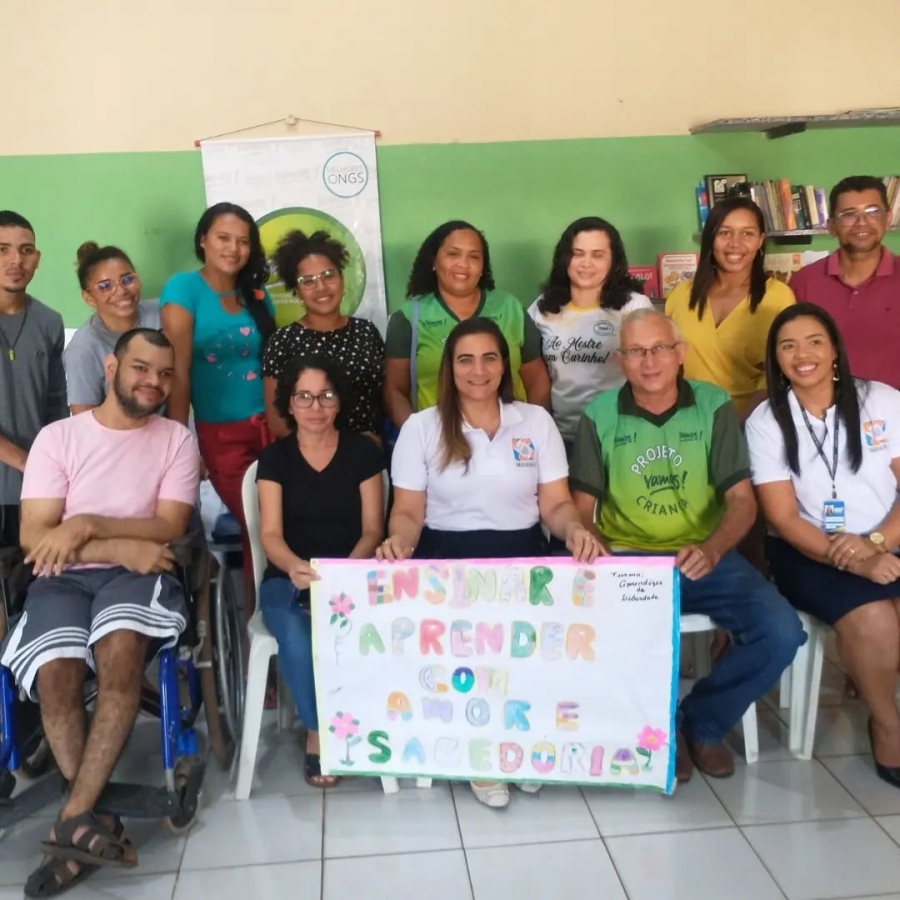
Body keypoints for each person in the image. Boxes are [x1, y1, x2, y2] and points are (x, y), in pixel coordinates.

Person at [0, 328, 200, 896]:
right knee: (57, 679)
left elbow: (167, 526)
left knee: (118, 664)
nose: (153, 383)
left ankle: (74, 819)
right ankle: (91, 822)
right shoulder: (58, 439)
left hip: (136, 578)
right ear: (111, 367)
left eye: (164, 374)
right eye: (141, 369)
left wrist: (85, 525)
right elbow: (38, 538)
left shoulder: (175, 441)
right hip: (67, 577)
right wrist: (116, 545)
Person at [569, 308, 805, 781]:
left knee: (781, 632)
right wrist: (597, 551)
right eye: (636, 352)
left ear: (680, 354)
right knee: (617, 639)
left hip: (705, 554)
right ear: (620, 360)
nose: (649, 361)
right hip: (630, 559)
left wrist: (714, 548)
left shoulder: (712, 406)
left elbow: (741, 501)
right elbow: (581, 509)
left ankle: (702, 720)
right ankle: (658, 731)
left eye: (660, 349)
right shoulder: (599, 416)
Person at [378, 317, 600, 808]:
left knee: (530, 657)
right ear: (449, 368)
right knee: (476, 664)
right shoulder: (422, 427)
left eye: (490, 358)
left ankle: (523, 747)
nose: (478, 370)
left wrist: (575, 529)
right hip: (447, 562)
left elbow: (556, 505)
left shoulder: (535, 422)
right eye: (465, 359)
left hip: (523, 556)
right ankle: (483, 756)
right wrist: (399, 542)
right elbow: (409, 513)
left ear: (505, 365)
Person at [746, 303, 900, 788]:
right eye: (787, 346)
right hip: (807, 552)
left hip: (886, 535)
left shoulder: (880, 400)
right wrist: (856, 562)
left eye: (814, 341)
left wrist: (875, 545)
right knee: (874, 614)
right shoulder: (767, 421)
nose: (802, 354)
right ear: (776, 359)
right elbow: (784, 518)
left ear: (834, 350)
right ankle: (888, 725)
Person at [257, 354, 384, 787]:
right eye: (304, 397)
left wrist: (344, 573)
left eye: (326, 396)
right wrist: (296, 567)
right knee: (294, 630)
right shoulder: (274, 460)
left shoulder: (363, 452)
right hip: (288, 576)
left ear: (339, 401)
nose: (316, 406)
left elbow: (373, 529)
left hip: (352, 574)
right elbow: (270, 535)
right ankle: (318, 731)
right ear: (288, 404)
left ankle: (377, 718)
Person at [160, 203, 276, 594]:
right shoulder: (183, 288)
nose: (234, 248)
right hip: (222, 437)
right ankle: (261, 616)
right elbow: (178, 370)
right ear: (203, 241)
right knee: (258, 524)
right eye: (224, 238)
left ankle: (284, 612)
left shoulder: (257, 295)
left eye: (243, 241)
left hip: (273, 429)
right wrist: (181, 444)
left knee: (286, 522)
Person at [383, 221, 550, 427]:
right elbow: (394, 390)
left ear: (482, 267)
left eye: (474, 256)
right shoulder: (409, 318)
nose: (463, 264)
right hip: (441, 442)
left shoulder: (510, 308)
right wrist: (418, 437)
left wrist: (531, 430)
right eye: (453, 254)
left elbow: (537, 381)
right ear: (434, 261)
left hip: (510, 442)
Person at [529, 216, 653, 450]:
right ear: (565, 258)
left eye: (597, 255)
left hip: (620, 434)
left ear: (613, 261)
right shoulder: (542, 308)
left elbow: (652, 373)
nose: (586, 263)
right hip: (560, 436)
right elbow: (531, 374)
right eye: (578, 253)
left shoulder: (633, 307)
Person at [666, 197, 795, 420]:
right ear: (711, 238)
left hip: (754, 423)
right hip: (687, 424)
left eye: (747, 233)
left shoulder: (778, 298)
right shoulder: (681, 295)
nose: (735, 243)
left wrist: (741, 424)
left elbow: (781, 371)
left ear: (760, 240)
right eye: (725, 233)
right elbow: (667, 366)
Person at [262, 230, 384, 442]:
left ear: (342, 280)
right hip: (310, 462)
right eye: (307, 281)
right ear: (296, 291)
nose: (321, 287)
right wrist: (340, 449)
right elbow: (277, 422)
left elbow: (385, 398)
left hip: (371, 457)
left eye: (328, 276)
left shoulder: (367, 332)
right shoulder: (282, 342)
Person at [790, 176, 900, 389]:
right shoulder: (804, 282)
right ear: (831, 226)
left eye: (872, 212)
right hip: (825, 414)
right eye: (849, 214)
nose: (862, 223)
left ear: (888, 219)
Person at [0, 211, 67, 549]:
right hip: (28, 473)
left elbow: (56, 409)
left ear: (37, 258)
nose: (16, 260)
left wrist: (54, 470)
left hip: (36, 493)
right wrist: (29, 463)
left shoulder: (49, 322)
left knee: (29, 590)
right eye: (3, 250)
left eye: (26, 250)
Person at [64, 241, 160, 413]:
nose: (121, 291)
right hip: (115, 437)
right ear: (89, 298)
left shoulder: (164, 314)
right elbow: (84, 423)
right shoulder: (83, 350)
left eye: (127, 279)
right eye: (105, 286)